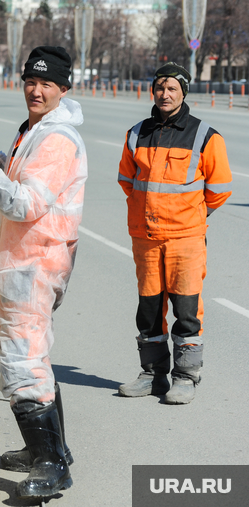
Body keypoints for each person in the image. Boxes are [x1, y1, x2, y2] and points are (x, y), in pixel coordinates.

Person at [0, 46, 87, 498]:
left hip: (35, 262)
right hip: (22, 260)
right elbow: (7, 200)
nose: (36, 89)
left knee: (22, 364)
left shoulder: (56, 139)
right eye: (31, 80)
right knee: (35, 358)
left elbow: (25, 204)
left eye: (47, 84)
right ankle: (51, 450)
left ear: (64, 89)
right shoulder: (31, 130)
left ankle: (51, 467)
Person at [117, 62, 232, 405]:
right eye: (159, 88)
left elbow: (220, 188)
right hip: (146, 237)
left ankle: (185, 376)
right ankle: (152, 376)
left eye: (172, 89)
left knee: (186, 309)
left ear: (183, 92)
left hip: (186, 238)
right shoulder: (137, 133)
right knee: (149, 310)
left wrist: (193, 214)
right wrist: (147, 211)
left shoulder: (204, 135)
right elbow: (127, 180)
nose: (164, 94)